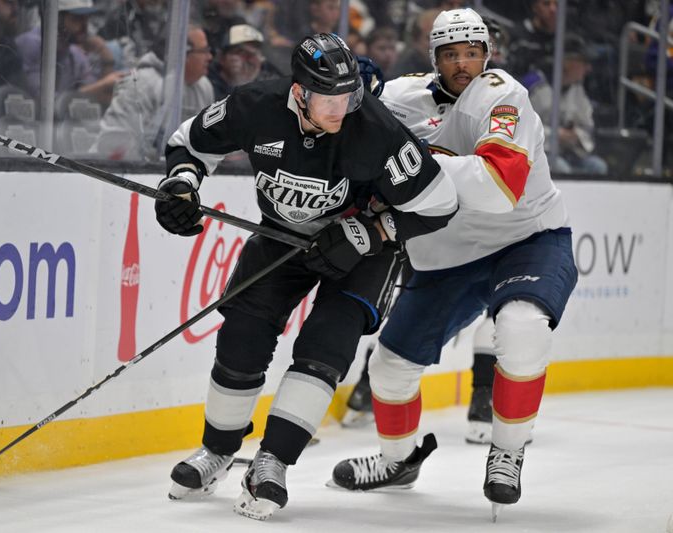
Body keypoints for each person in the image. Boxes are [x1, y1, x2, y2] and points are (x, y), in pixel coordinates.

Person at [155, 32, 458, 521]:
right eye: (330, 99)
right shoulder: (255, 105)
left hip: (363, 249)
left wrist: (374, 230)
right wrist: (182, 184)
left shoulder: (376, 130)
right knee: (243, 334)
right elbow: (189, 143)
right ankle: (217, 451)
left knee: (325, 345)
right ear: (299, 92)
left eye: (350, 96)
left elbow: (440, 204)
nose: (343, 109)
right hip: (281, 235)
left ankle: (272, 463)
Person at [329, 8, 577, 520]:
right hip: (445, 256)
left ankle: (507, 452)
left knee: (522, 327)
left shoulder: (505, 96)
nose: (463, 64)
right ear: (433, 58)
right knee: (389, 369)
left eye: (472, 53)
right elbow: (343, 137)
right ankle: (398, 462)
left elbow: (499, 187)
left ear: (488, 55)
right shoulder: (400, 98)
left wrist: (409, 166)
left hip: (526, 238)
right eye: (450, 54)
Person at [93, 25, 214, 161]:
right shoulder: (140, 84)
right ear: (183, 54)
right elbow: (113, 145)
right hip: (134, 171)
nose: (209, 57)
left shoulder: (204, 87)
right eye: (204, 51)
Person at [525, 33, 608, 175]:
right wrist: (556, 135)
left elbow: (587, 125)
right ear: (567, 62)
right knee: (562, 169)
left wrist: (576, 135)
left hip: (569, 153)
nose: (588, 68)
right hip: (537, 154)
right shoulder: (533, 85)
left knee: (598, 167)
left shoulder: (577, 88)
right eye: (584, 62)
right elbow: (523, 128)